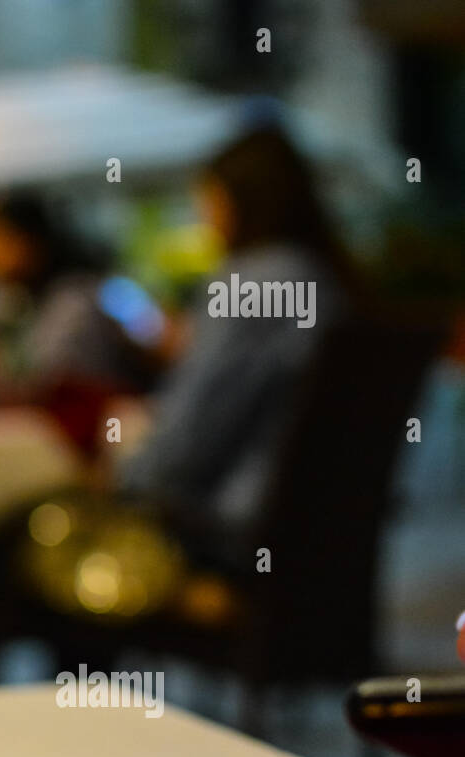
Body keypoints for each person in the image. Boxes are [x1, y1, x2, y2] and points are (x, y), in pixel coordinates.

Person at [117, 123, 359, 568]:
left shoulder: (251, 285)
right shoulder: (331, 284)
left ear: (238, 201)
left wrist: (116, 481)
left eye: (208, 201)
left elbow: (186, 442)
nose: (205, 217)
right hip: (317, 540)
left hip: (227, 540)